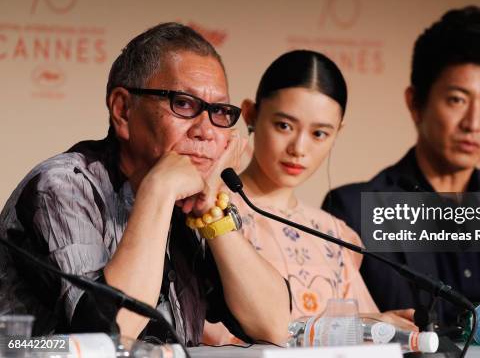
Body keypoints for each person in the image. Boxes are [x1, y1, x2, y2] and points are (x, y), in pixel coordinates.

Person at [0, 23, 290, 346]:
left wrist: (214, 214)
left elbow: (275, 325)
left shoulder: (193, 200)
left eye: (219, 112)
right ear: (123, 111)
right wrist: (158, 191)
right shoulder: (61, 186)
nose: (206, 130)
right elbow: (108, 336)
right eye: (183, 103)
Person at [323, 6, 480, 325]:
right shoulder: (353, 210)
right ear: (416, 103)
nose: (474, 123)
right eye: (457, 99)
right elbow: (337, 325)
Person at [203, 50, 416, 345]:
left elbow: (370, 335)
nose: (299, 148)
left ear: (337, 133)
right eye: (284, 126)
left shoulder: (334, 234)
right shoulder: (209, 209)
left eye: (319, 134)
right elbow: (215, 333)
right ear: (251, 114)